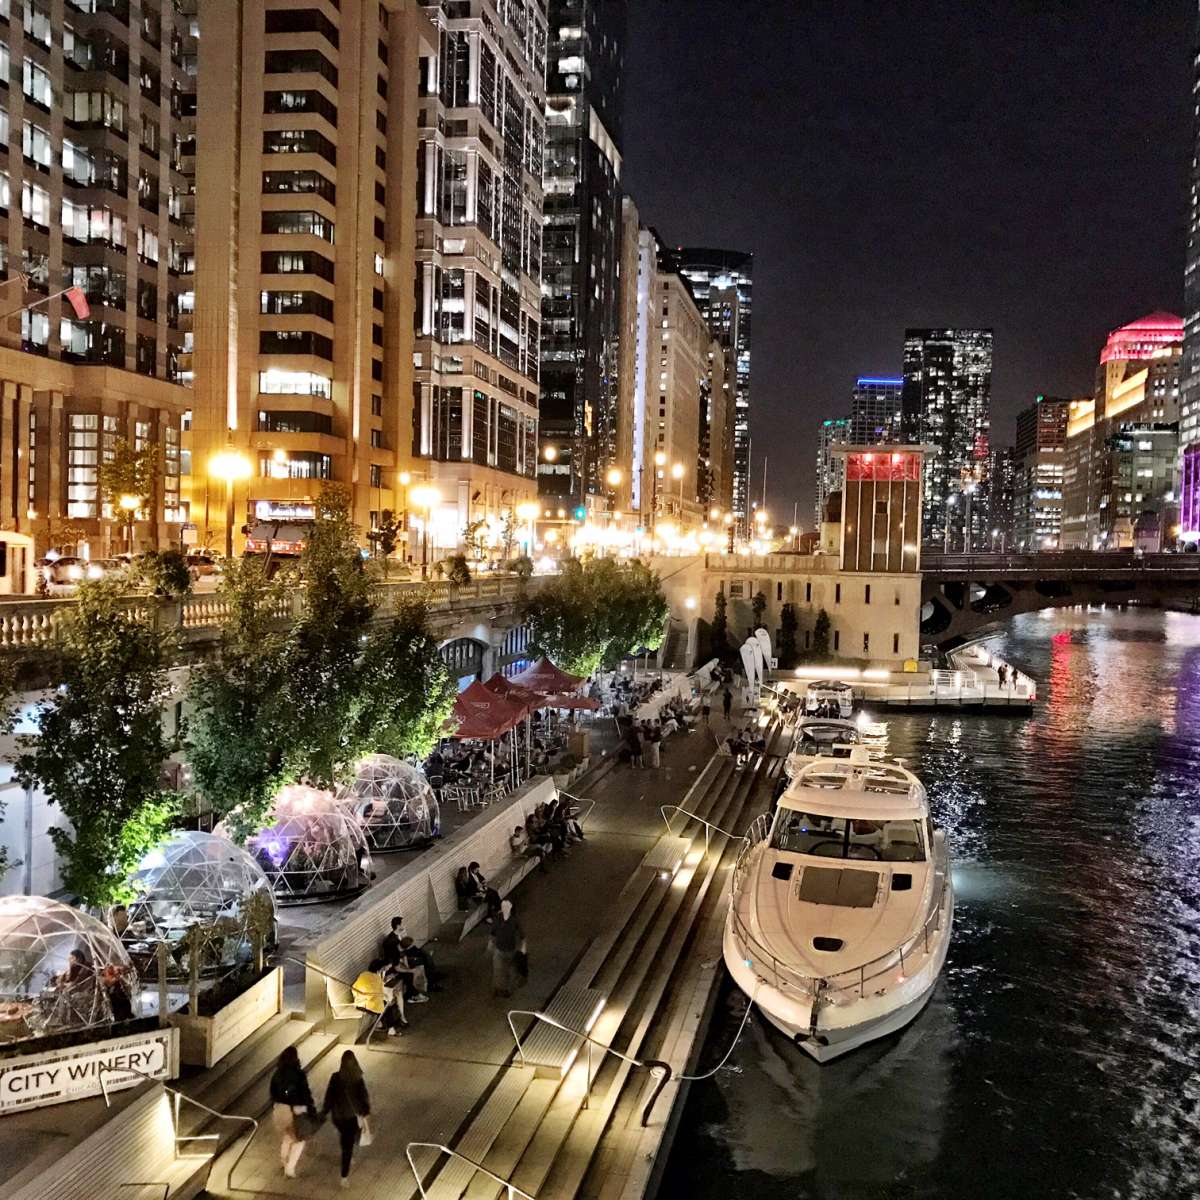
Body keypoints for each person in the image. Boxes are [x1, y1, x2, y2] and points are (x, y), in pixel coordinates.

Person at [322, 1050, 371, 1189]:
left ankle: (346, 1151)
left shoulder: (335, 1077)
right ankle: (344, 1176)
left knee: (345, 1138)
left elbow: (329, 1096)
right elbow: (363, 1097)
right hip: (351, 1117)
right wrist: (365, 1112)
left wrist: (324, 1111)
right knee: (348, 1146)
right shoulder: (357, 1078)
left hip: (338, 1117)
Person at [269, 1044, 315, 1178]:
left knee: (287, 1136)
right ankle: (290, 1168)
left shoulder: (276, 1074)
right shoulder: (298, 1074)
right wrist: (311, 1109)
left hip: (278, 1110)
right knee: (299, 1140)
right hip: (294, 1110)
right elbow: (305, 1094)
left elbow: (272, 1093)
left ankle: (283, 1160)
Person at [489, 899, 525, 998]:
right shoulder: (497, 919)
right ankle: (497, 988)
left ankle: (507, 990)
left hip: (510, 950)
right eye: (503, 906)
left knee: (510, 971)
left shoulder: (514, 921)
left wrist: (522, 948)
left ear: (510, 908)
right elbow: (493, 933)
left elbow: (521, 935)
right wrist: (490, 945)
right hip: (499, 950)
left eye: (506, 906)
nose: (504, 908)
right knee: (497, 970)